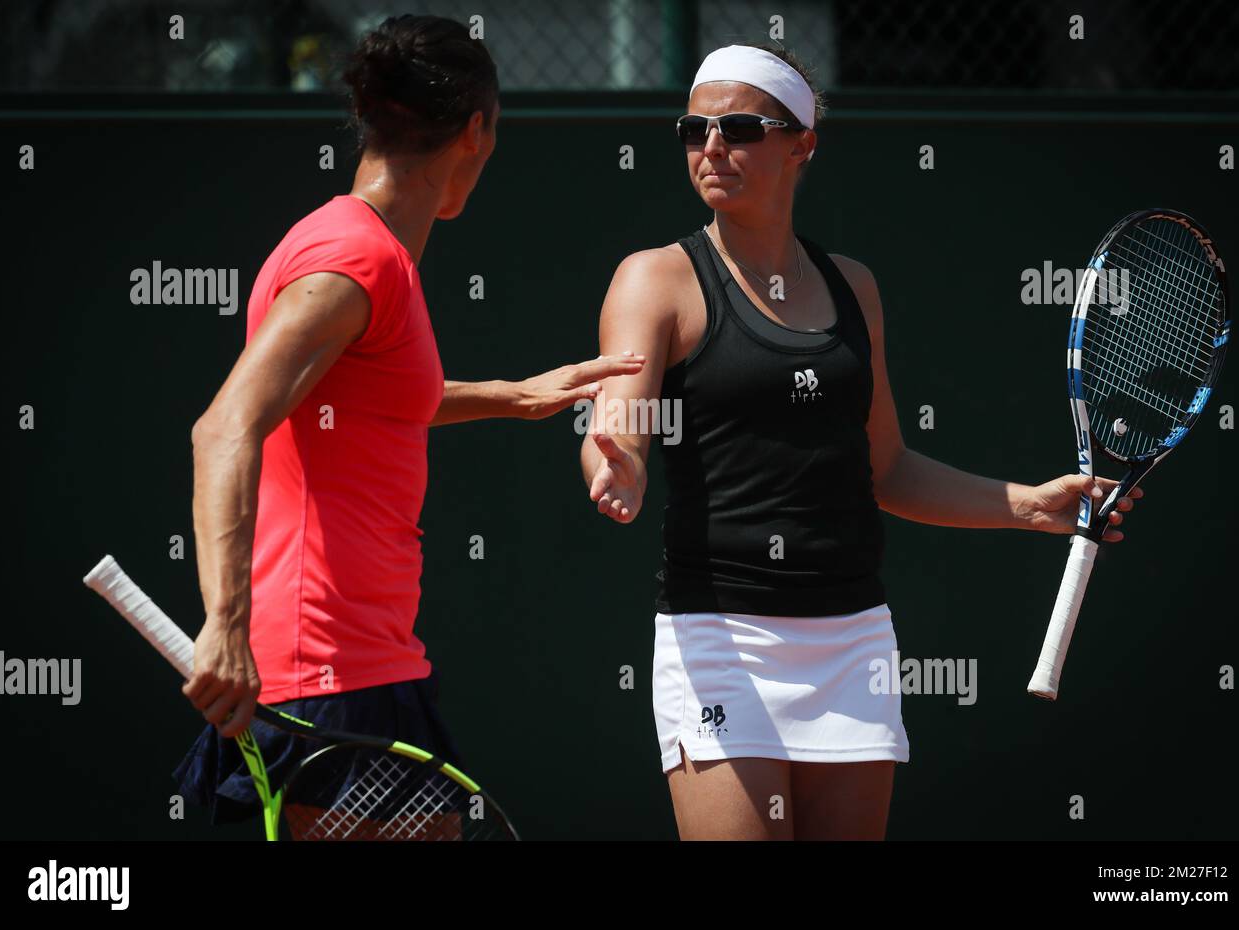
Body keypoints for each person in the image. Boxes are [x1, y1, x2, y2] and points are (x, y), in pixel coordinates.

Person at [580, 44, 1142, 840]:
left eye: (739, 127)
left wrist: (1031, 506)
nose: (711, 147)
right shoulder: (654, 279)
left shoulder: (854, 287)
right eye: (694, 129)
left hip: (853, 641)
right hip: (719, 637)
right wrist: (620, 465)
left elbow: (887, 468)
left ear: (801, 143)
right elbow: (622, 421)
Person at [175, 14, 643, 824]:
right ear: (475, 132)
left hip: (368, 661)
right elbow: (224, 426)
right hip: (322, 669)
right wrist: (224, 625)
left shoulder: (364, 250)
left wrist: (516, 394)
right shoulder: (353, 261)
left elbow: (368, 399)